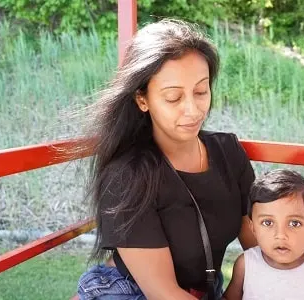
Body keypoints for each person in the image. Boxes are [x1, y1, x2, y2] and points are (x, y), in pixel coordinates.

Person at [76, 19, 257, 300]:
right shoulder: (127, 176)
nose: (192, 109)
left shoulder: (229, 153)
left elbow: (263, 249)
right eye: (173, 98)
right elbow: (163, 293)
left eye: (201, 91)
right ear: (142, 100)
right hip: (129, 292)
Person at [223, 169, 304, 300]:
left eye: (294, 223)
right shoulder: (246, 265)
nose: (280, 235)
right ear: (253, 228)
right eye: (268, 223)